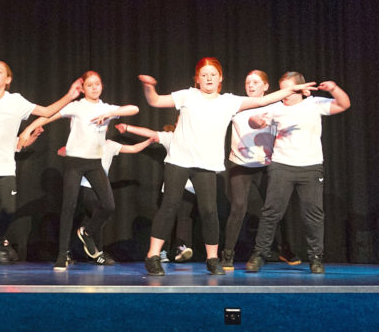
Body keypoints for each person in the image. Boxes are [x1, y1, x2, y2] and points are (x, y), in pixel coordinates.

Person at [139, 57, 315, 276]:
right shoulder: (188, 95)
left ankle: (213, 260)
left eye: (213, 74)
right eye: (204, 75)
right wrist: (149, 87)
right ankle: (153, 256)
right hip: (179, 160)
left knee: (210, 211)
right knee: (169, 206)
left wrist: (293, 89)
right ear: (197, 79)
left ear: (220, 78)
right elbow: (155, 101)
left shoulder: (228, 101)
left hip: (206, 164)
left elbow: (262, 101)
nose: (208, 78)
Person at [0, 60, 83, 275]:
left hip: (6, 164)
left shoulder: (16, 102)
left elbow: (46, 112)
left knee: (9, 209)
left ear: (8, 79)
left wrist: (70, 95)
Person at [17, 70, 140, 270]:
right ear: (82, 89)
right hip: (74, 162)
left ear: (102, 86)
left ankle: (87, 233)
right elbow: (48, 117)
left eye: (97, 84)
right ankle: (62, 254)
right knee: (69, 206)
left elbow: (134, 108)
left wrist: (109, 113)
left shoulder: (107, 108)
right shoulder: (76, 106)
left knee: (108, 205)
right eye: (89, 85)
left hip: (94, 163)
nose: (94, 88)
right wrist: (27, 129)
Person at [245, 73, 350, 274]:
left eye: (290, 90)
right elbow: (253, 120)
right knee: (271, 213)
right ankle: (259, 255)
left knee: (313, 215)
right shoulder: (276, 107)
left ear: (301, 89)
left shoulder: (314, 104)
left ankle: (316, 258)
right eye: (283, 89)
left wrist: (334, 89)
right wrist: (257, 120)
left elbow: (344, 104)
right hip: (282, 166)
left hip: (310, 167)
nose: (285, 94)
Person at [221, 70, 298, 270]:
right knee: (239, 207)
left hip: (267, 166)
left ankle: (284, 248)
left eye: (256, 82)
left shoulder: (277, 107)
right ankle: (227, 253)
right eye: (248, 82)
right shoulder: (237, 106)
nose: (251, 85)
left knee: (274, 209)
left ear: (266, 86)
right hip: (240, 165)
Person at [55, 131, 154, 268]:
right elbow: (61, 151)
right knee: (96, 211)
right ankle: (93, 251)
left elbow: (133, 148)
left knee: (98, 216)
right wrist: (72, 150)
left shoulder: (110, 145)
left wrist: (149, 141)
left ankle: (91, 248)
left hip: (100, 188)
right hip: (86, 187)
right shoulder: (84, 144)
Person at [115, 122, 196, 264]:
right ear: (178, 124)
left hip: (190, 186)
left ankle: (181, 248)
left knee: (184, 217)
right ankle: (161, 250)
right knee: (167, 215)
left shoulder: (198, 138)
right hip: (172, 184)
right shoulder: (171, 137)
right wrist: (128, 127)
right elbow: (150, 133)